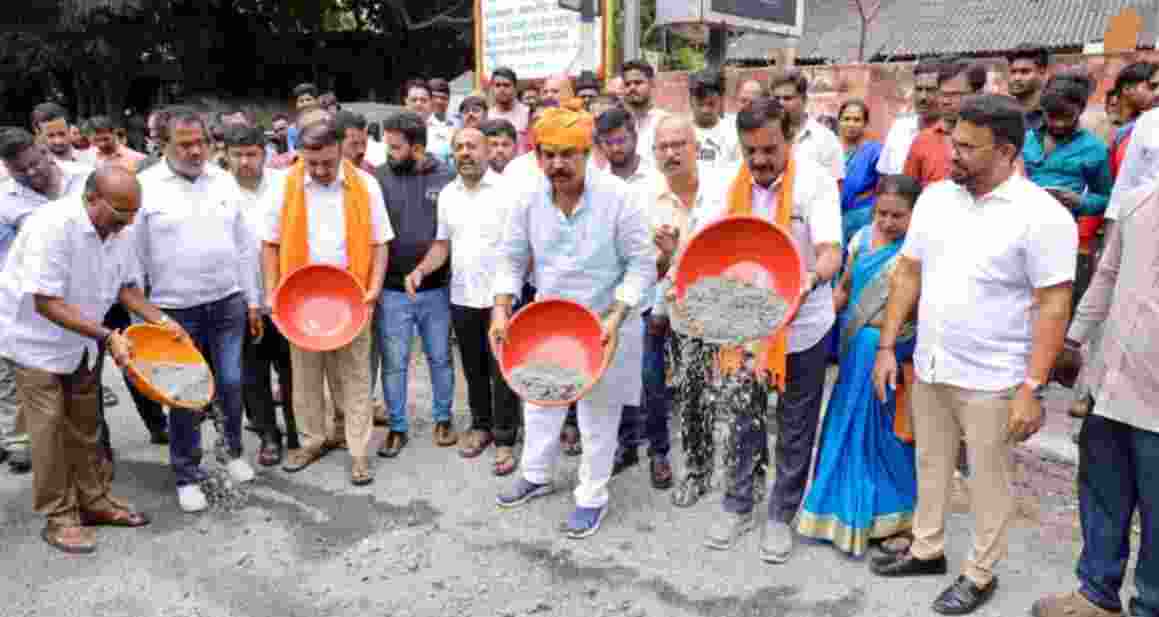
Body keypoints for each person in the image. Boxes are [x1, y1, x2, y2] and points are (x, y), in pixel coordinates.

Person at [871, 94, 1077, 615]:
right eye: (952, 142)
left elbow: (1054, 304)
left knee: (988, 477)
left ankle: (980, 573)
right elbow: (909, 272)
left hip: (994, 376)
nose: (952, 155)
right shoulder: (937, 199)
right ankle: (927, 548)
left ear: (1005, 151)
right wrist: (888, 347)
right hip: (934, 363)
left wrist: (1032, 388)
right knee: (931, 462)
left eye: (967, 147)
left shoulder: (1042, 216)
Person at [670, 98, 842, 565]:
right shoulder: (727, 181)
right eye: (752, 152)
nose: (761, 160)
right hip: (742, 323)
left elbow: (830, 251)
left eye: (770, 149)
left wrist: (809, 279)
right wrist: (679, 278)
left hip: (803, 323)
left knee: (794, 422)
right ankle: (737, 504)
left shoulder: (815, 183)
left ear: (789, 137)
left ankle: (780, 514)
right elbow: (701, 243)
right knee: (741, 415)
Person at [490, 105, 656, 539]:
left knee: (597, 416)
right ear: (538, 155)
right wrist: (501, 307)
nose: (558, 164)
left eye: (568, 154)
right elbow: (510, 256)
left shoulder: (620, 198)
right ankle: (536, 473)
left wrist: (617, 315)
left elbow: (642, 265)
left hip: (607, 324)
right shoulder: (527, 197)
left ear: (589, 152)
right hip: (549, 322)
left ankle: (591, 496)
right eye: (548, 154)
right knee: (541, 400)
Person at [0, 166, 181, 553]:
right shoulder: (52, 226)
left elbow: (127, 288)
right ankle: (60, 518)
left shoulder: (121, 230)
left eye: (132, 216)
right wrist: (108, 336)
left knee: (86, 427)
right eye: (119, 215)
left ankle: (95, 501)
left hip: (83, 343)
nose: (126, 224)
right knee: (48, 432)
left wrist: (165, 322)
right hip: (36, 344)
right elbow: (45, 302)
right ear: (91, 198)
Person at [1030, 174, 1159, 617]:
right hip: (1113, 381)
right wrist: (1073, 340)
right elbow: (1107, 273)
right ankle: (1096, 595)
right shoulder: (1140, 200)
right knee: (1103, 493)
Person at [136, 108, 261, 512]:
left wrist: (252, 299)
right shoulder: (145, 188)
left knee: (230, 383)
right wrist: (146, 317)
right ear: (163, 145)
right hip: (174, 311)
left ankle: (233, 451)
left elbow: (244, 247)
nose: (195, 151)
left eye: (201, 143)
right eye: (184, 144)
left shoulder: (223, 181)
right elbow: (133, 259)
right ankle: (187, 474)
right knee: (185, 395)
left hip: (227, 303)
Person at [260, 117, 391, 485]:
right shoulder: (282, 187)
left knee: (354, 376)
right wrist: (273, 293)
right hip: (299, 299)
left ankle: (358, 451)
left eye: (327, 163)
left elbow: (380, 243)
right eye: (311, 162)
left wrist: (374, 289)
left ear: (341, 149)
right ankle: (313, 440)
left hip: (352, 297)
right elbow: (269, 244)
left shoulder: (366, 185)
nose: (319, 171)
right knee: (304, 376)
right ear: (300, 153)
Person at [796, 174, 920, 557]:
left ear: (914, 215)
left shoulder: (915, 253)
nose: (887, 222)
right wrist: (820, 317)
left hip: (889, 352)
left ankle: (893, 515)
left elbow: (917, 307)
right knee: (845, 423)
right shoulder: (860, 238)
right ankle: (836, 511)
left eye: (897, 215)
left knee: (883, 432)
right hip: (854, 350)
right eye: (881, 213)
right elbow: (846, 288)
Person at [404, 127, 521, 475]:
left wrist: (511, 293)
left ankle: (504, 439)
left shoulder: (507, 191)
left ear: (487, 151)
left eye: (472, 146)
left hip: (502, 298)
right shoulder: (448, 196)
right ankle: (481, 425)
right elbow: (442, 246)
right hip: (463, 296)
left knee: (503, 369)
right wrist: (420, 271)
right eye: (459, 148)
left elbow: (520, 249)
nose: (465, 153)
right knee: (473, 367)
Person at [639, 116, 726, 491]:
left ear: (695, 147)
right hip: (685, 316)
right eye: (664, 147)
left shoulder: (725, 187)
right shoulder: (648, 203)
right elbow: (652, 271)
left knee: (739, 397)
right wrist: (665, 257)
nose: (672, 153)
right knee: (693, 396)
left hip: (732, 311)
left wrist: (682, 254)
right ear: (655, 154)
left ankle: (741, 484)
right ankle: (697, 470)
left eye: (680, 145)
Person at [0, 128, 92, 474]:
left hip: (88, 303)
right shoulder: (4, 201)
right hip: (32, 314)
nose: (32, 173)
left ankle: (95, 467)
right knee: (41, 398)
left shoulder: (84, 179)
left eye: (35, 163)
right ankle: (28, 448)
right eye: (20, 170)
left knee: (86, 398)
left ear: (43, 150)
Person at [375, 111, 457, 458]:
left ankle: (443, 417)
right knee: (394, 363)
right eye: (387, 145)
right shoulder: (376, 179)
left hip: (436, 288)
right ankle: (397, 426)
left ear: (418, 147)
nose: (388, 153)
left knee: (440, 357)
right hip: (392, 291)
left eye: (395, 147)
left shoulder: (447, 177)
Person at [221, 124, 297, 467]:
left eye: (251, 154)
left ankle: (298, 430)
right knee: (253, 371)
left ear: (264, 154)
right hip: (240, 295)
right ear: (226, 155)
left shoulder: (285, 184)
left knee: (292, 367)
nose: (244, 162)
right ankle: (269, 434)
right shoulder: (218, 190)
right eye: (237, 155)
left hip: (287, 294)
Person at [592, 108, 662, 478]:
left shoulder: (656, 176)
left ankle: (657, 450)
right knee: (614, 373)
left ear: (634, 135)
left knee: (650, 376)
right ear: (600, 146)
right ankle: (625, 444)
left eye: (622, 139)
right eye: (609, 142)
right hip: (610, 295)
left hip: (651, 290)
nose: (617, 147)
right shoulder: (597, 182)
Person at [1021, 73, 1112, 314]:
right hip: (1016, 231)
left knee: (1048, 302)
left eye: (1067, 117)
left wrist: (1080, 202)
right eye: (1052, 117)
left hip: (1058, 236)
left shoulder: (1095, 149)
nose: (1059, 124)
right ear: (1042, 111)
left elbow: (1106, 198)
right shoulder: (1023, 140)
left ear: (1081, 110)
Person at [904, 59, 988, 187]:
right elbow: (907, 195)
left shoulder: (995, 140)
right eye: (942, 94)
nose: (945, 101)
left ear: (978, 94)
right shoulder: (923, 141)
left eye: (955, 95)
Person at [769, 68, 845, 182]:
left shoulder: (826, 139)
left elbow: (836, 187)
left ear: (804, 100)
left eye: (787, 98)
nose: (780, 103)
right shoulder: (764, 134)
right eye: (776, 98)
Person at [877, 59, 941, 175]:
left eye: (931, 90)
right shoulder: (899, 128)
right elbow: (883, 176)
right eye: (919, 89)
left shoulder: (953, 135)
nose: (923, 97)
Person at [838, 99, 884, 243]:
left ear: (865, 124)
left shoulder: (875, 151)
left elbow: (883, 186)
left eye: (857, 120)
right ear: (839, 121)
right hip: (831, 214)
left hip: (862, 217)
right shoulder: (829, 148)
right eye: (846, 119)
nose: (851, 124)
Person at [689, 69, 740, 170]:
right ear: (690, 100)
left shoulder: (732, 134)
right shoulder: (680, 132)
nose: (705, 110)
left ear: (721, 100)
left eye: (711, 104)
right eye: (700, 104)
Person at [621, 60, 668, 169]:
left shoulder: (664, 122)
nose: (632, 88)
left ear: (652, 83)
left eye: (638, 82)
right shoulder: (619, 123)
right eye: (627, 84)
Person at [1007, 45, 1049, 131]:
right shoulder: (1003, 115)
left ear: (1042, 73)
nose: (1017, 78)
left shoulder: (1052, 115)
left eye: (1025, 72)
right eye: (1013, 72)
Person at [490, 67, 531, 136]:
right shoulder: (488, 116)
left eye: (506, 85)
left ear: (515, 88)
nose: (502, 89)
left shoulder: (527, 113)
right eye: (497, 85)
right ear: (492, 88)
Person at [286, 82, 320, 151]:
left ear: (316, 101)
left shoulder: (327, 123)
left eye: (308, 99)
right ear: (296, 104)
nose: (305, 103)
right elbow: (292, 153)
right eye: (301, 101)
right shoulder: (292, 130)